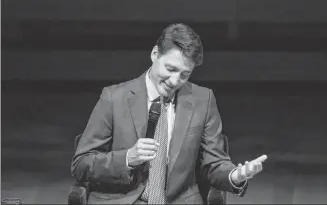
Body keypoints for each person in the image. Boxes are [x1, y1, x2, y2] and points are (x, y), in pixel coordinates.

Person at [71, 23, 267, 204]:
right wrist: (127, 158)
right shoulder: (114, 98)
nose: (175, 81)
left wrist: (235, 176)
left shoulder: (203, 99)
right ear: (155, 54)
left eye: (184, 74)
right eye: (170, 69)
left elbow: (214, 163)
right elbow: (81, 164)